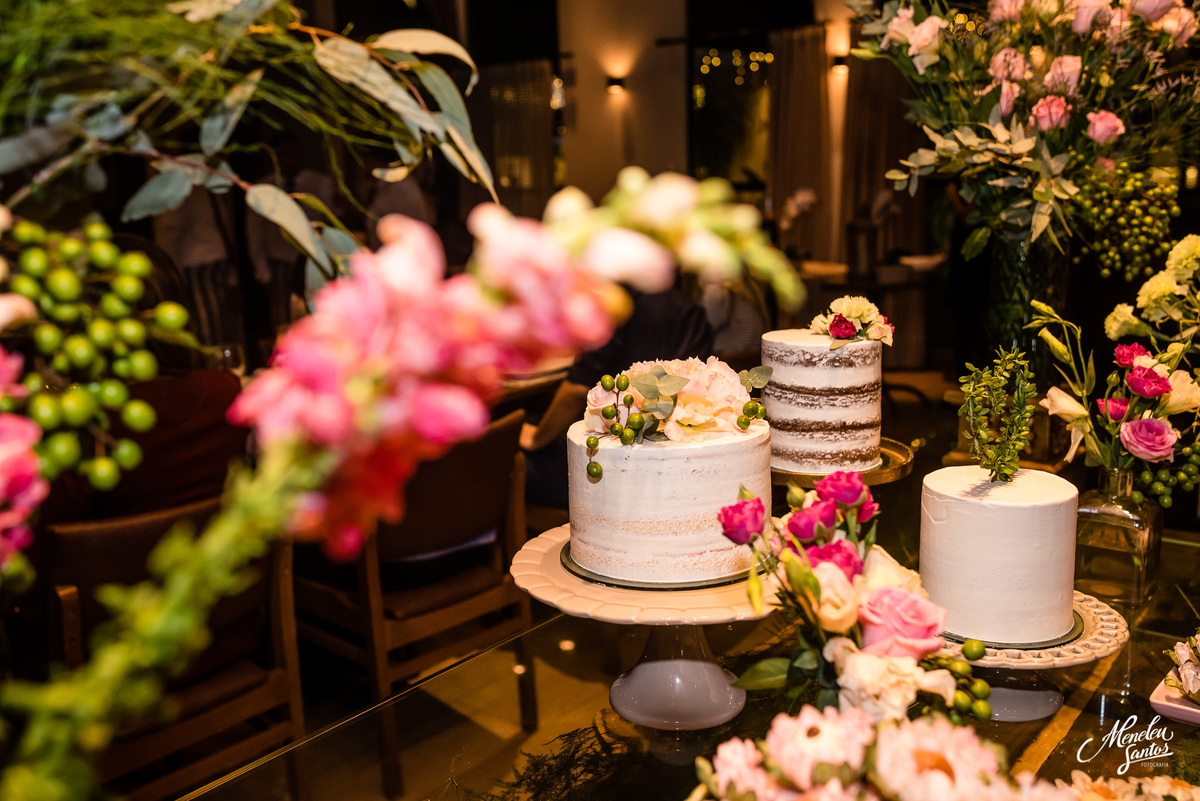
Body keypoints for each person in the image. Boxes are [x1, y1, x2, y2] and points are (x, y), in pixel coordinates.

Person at [521, 285, 714, 509]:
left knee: (505, 459)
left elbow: (576, 390)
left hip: (609, 465)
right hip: (676, 467)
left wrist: (536, 438)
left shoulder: (618, 309)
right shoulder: (693, 311)